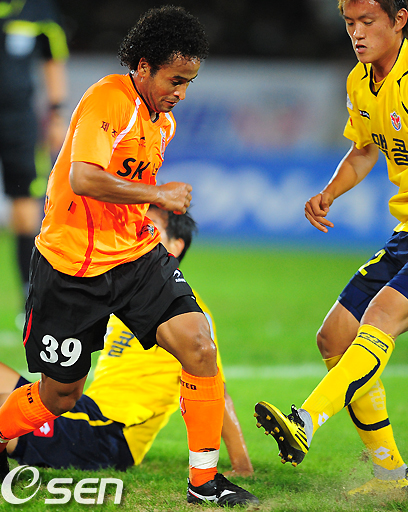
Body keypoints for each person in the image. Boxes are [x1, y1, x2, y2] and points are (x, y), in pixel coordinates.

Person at [0, 6, 258, 507]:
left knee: (199, 344)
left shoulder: (162, 124)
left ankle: (203, 483)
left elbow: (125, 192)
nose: (181, 92)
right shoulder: (108, 98)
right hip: (71, 268)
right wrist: (157, 194)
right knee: (59, 396)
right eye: (175, 80)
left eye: (189, 82)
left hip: (135, 256)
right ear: (143, 67)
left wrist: (148, 205)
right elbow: (82, 177)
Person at [255, 0, 408, 497]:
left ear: (399, 19)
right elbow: (364, 150)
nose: (357, 34)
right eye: (350, 24)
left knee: (380, 316)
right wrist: (329, 192)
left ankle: (305, 421)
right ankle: (390, 478)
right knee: (334, 337)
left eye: (368, 22)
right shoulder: (359, 81)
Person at [0, 208, 253, 477]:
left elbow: (215, 388)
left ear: (175, 246)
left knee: (5, 405)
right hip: (84, 410)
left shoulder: (185, 318)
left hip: (110, 434)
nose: (136, 234)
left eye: (149, 228)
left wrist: (242, 466)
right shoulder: (126, 295)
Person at [0, 0, 68, 298]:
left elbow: (53, 60)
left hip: (19, 121)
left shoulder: (37, 9)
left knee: (26, 208)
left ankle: (29, 299)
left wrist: (57, 115)